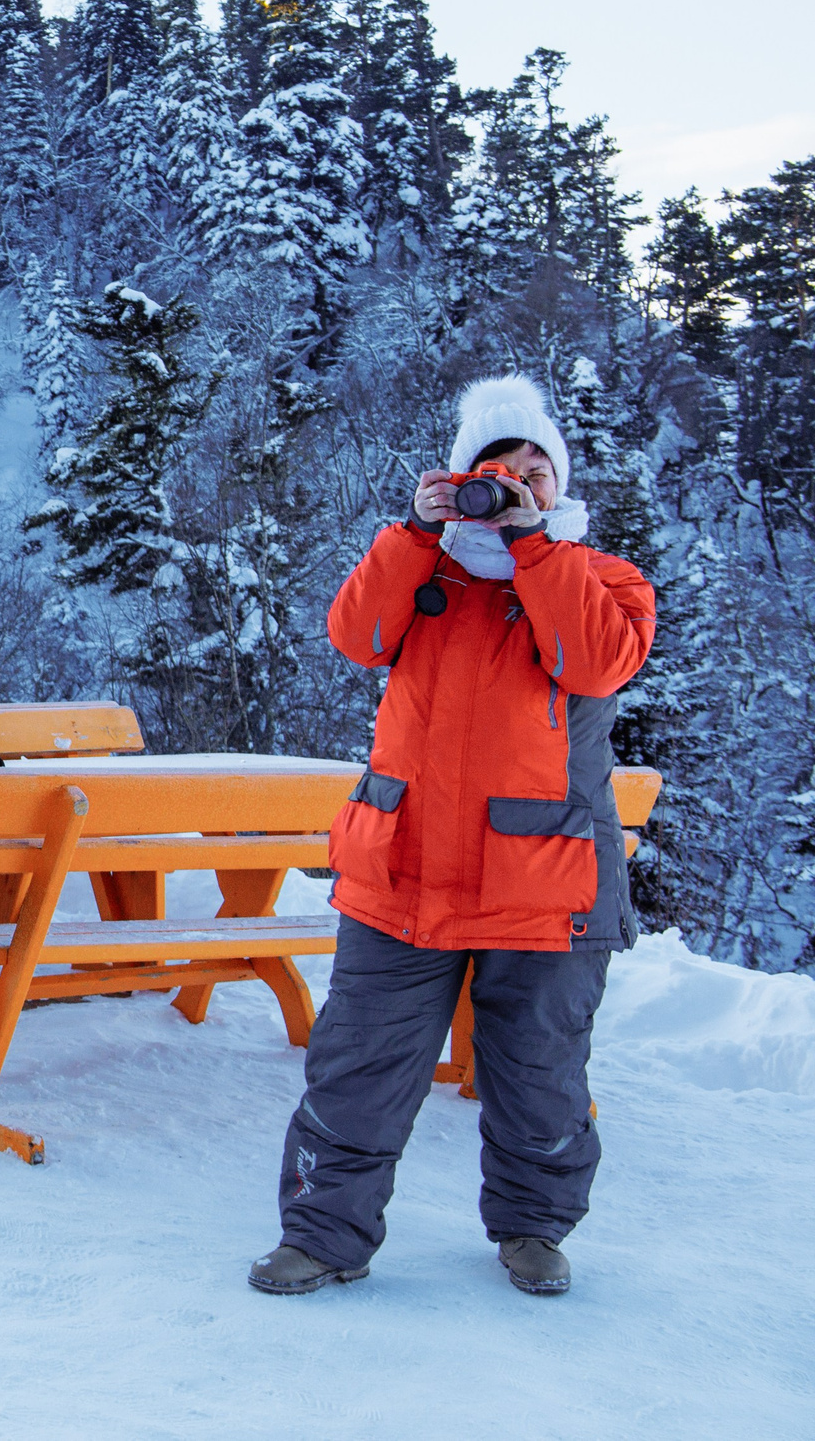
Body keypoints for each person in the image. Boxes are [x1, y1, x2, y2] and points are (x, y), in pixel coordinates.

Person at [249, 374, 655, 1299]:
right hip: (405, 872)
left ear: (560, 485)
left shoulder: (604, 578)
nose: (516, 482)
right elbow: (354, 633)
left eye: (535, 471)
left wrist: (533, 547)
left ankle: (534, 1228)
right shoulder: (420, 565)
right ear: (458, 476)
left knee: (540, 1072)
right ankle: (321, 1234)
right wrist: (416, 531)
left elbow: (593, 660)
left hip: (546, 881)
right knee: (358, 1063)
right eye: (495, 468)